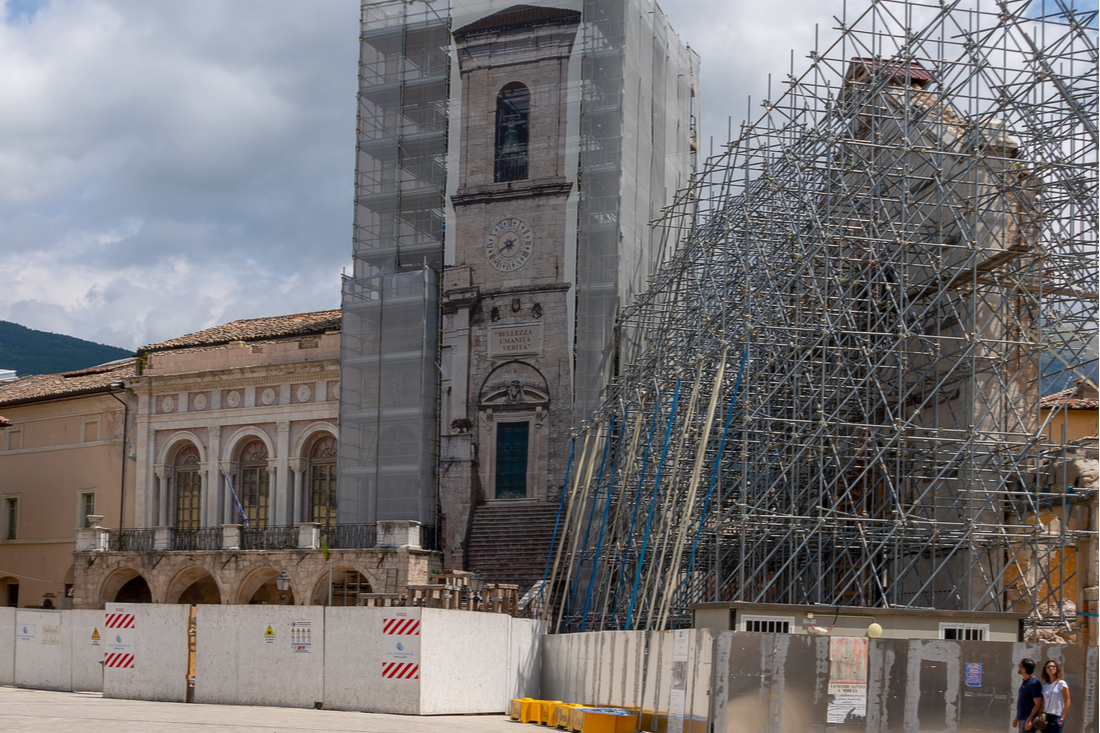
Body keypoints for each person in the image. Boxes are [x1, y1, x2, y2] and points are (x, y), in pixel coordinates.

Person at [1040, 660, 1071, 733]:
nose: (1051, 668)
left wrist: (1062, 717)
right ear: (1045, 670)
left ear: (1057, 668)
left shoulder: (1061, 683)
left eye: (1053, 666)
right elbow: (1043, 704)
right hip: (1045, 717)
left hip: (1056, 718)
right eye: (1048, 667)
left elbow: (1068, 702)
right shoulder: (1045, 687)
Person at [1013, 658, 1043, 731]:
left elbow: (1038, 704)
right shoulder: (1026, 682)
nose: (1018, 667)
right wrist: (1017, 717)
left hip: (1026, 721)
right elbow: (1024, 702)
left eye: (1019, 666)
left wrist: (1029, 719)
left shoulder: (1034, 683)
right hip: (1021, 718)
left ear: (1023, 669)